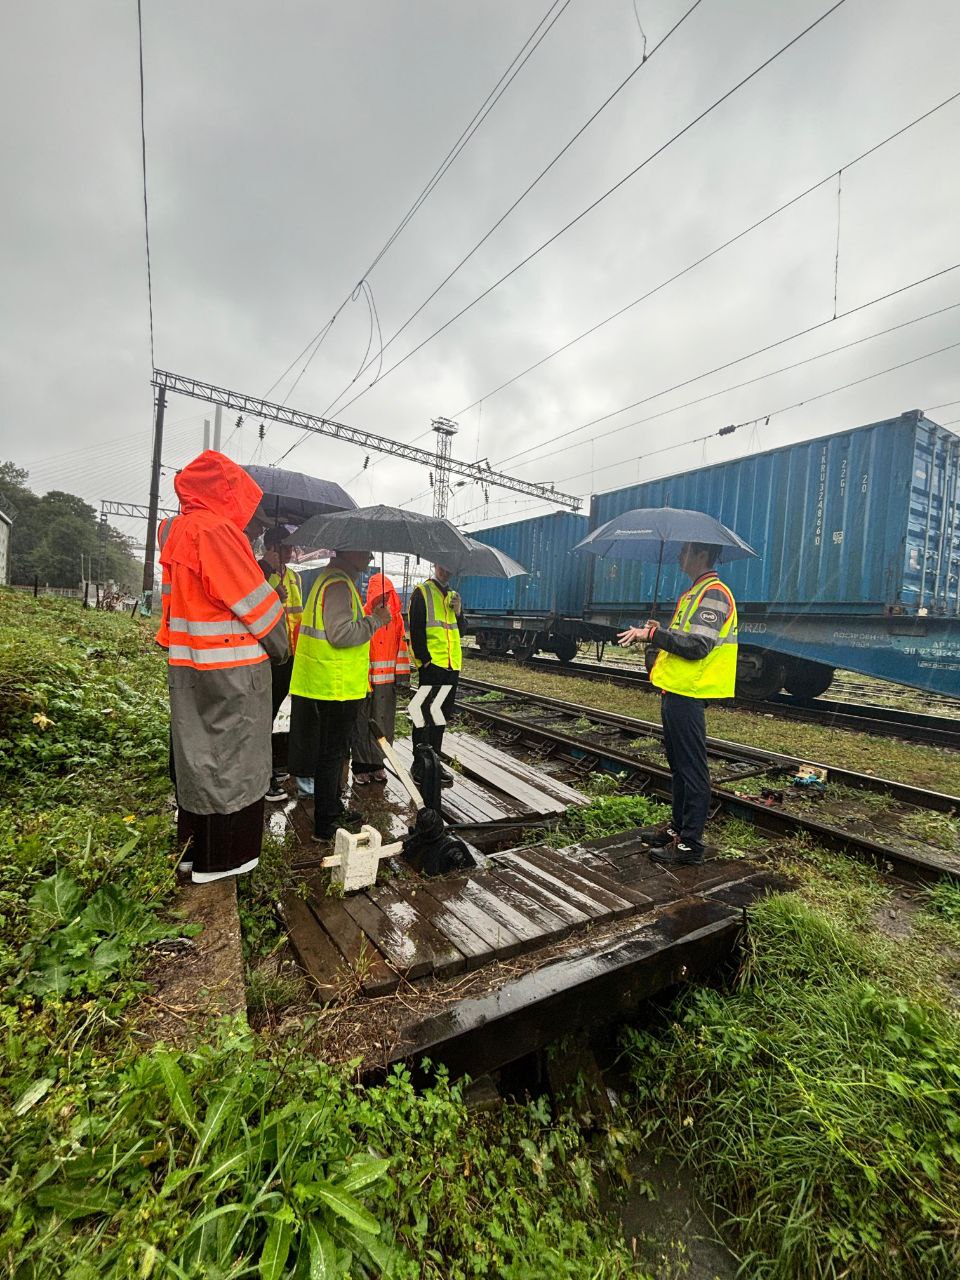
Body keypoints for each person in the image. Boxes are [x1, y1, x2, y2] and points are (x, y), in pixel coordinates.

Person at [156, 451, 288, 883]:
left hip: (190, 665)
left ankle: (192, 854)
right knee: (235, 766)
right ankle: (224, 864)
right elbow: (260, 609)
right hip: (233, 673)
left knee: (198, 757)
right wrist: (282, 643)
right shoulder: (216, 531)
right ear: (228, 493)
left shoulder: (177, 530)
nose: (250, 522)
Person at [617, 541, 738, 867]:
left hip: (691, 692)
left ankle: (691, 845)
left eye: (685, 551)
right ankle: (678, 829)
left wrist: (652, 636)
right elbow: (683, 637)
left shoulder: (714, 594)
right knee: (678, 765)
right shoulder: (693, 594)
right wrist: (660, 631)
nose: (679, 556)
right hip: (675, 689)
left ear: (701, 554)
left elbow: (698, 645)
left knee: (692, 769)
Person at [287, 549, 391, 841]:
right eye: (365, 553)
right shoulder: (337, 584)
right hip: (333, 684)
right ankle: (326, 823)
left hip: (330, 682)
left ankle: (333, 809)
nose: (370, 558)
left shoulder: (334, 580)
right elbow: (340, 634)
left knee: (334, 752)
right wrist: (376, 621)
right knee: (332, 754)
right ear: (349, 552)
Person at [407, 562, 466, 786]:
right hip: (433, 667)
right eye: (442, 565)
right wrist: (425, 662)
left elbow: (462, 630)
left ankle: (435, 761)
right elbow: (416, 631)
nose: (446, 569)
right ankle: (419, 764)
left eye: (449, 565)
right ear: (434, 565)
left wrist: (459, 612)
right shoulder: (421, 593)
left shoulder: (453, 596)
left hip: (451, 666)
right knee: (423, 714)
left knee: (440, 715)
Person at [351, 572, 411, 785]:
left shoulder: (396, 620)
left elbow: (401, 648)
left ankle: (377, 764)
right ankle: (360, 766)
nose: (383, 599)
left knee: (383, 724)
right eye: (379, 595)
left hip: (386, 685)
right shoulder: (363, 616)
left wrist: (402, 677)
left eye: (387, 595)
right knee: (361, 724)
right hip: (365, 683)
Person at [257, 526, 303, 800]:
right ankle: (263, 777)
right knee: (266, 714)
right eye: (286, 547)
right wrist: (274, 593)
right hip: (268, 655)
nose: (291, 552)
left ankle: (274, 766)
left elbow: (298, 617)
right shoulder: (258, 573)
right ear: (273, 547)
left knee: (277, 715)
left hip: (291, 655)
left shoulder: (295, 578)